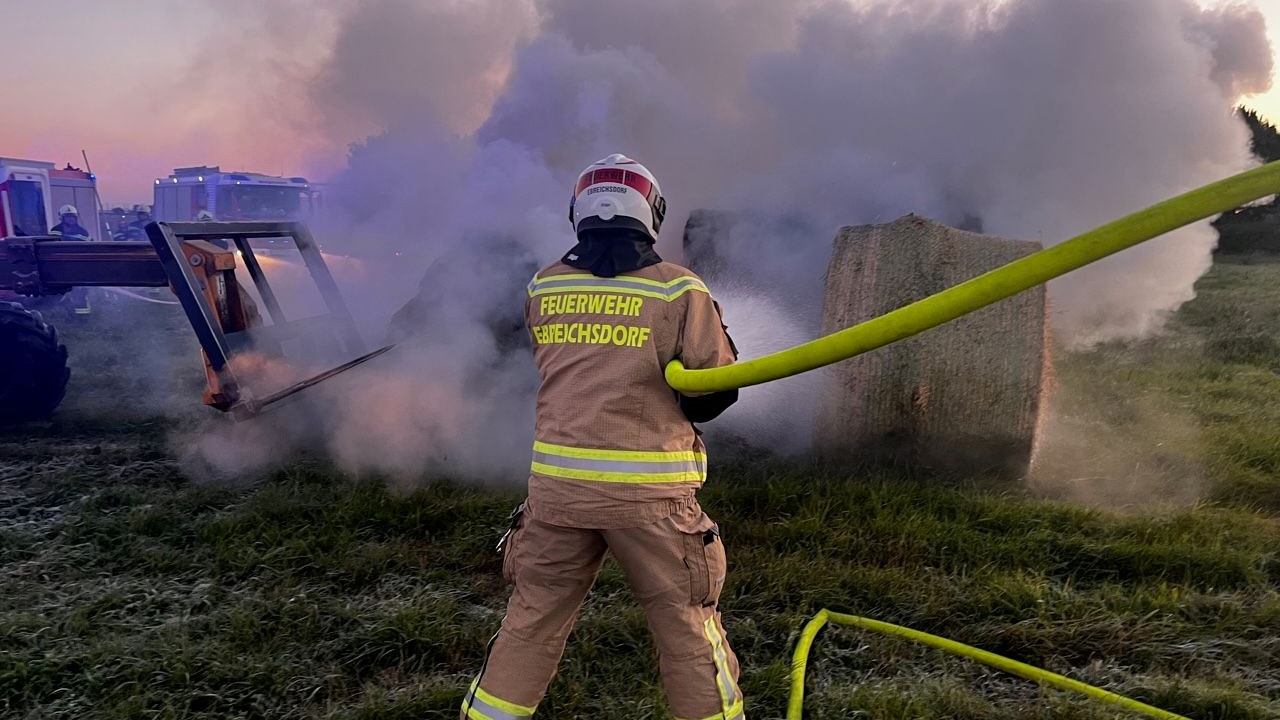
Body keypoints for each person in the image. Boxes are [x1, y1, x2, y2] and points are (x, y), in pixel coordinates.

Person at [461, 153, 744, 720]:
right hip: (652, 505)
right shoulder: (678, 291)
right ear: (652, 213)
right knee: (688, 627)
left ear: (578, 213)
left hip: (557, 497)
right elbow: (712, 393)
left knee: (532, 620)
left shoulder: (544, 286)